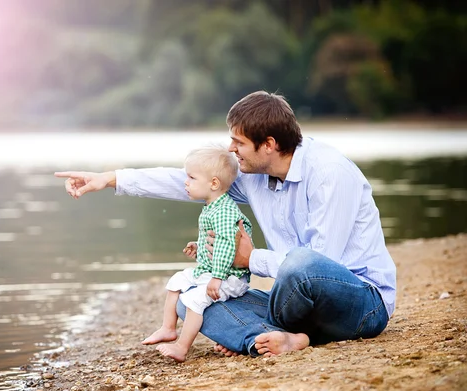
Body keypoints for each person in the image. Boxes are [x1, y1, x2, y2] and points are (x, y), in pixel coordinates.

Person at [55, 90, 396, 359]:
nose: (232, 150)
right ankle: (276, 338)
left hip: (361, 302)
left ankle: (283, 333)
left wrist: (250, 260)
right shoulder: (253, 172)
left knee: (301, 262)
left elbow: (321, 264)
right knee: (192, 299)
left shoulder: (330, 174)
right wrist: (111, 178)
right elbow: (190, 181)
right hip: (294, 301)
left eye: (239, 143)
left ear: (269, 145)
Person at [138, 145, 254, 362]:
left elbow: (229, 245)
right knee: (177, 281)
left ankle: (182, 347)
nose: (186, 182)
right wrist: (200, 246)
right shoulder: (212, 206)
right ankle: (168, 327)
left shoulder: (224, 211)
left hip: (230, 277)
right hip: (216, 270)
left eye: (191, 177)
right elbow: (216, 241)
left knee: (194, 299)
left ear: (214, 183)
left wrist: (218, 277)